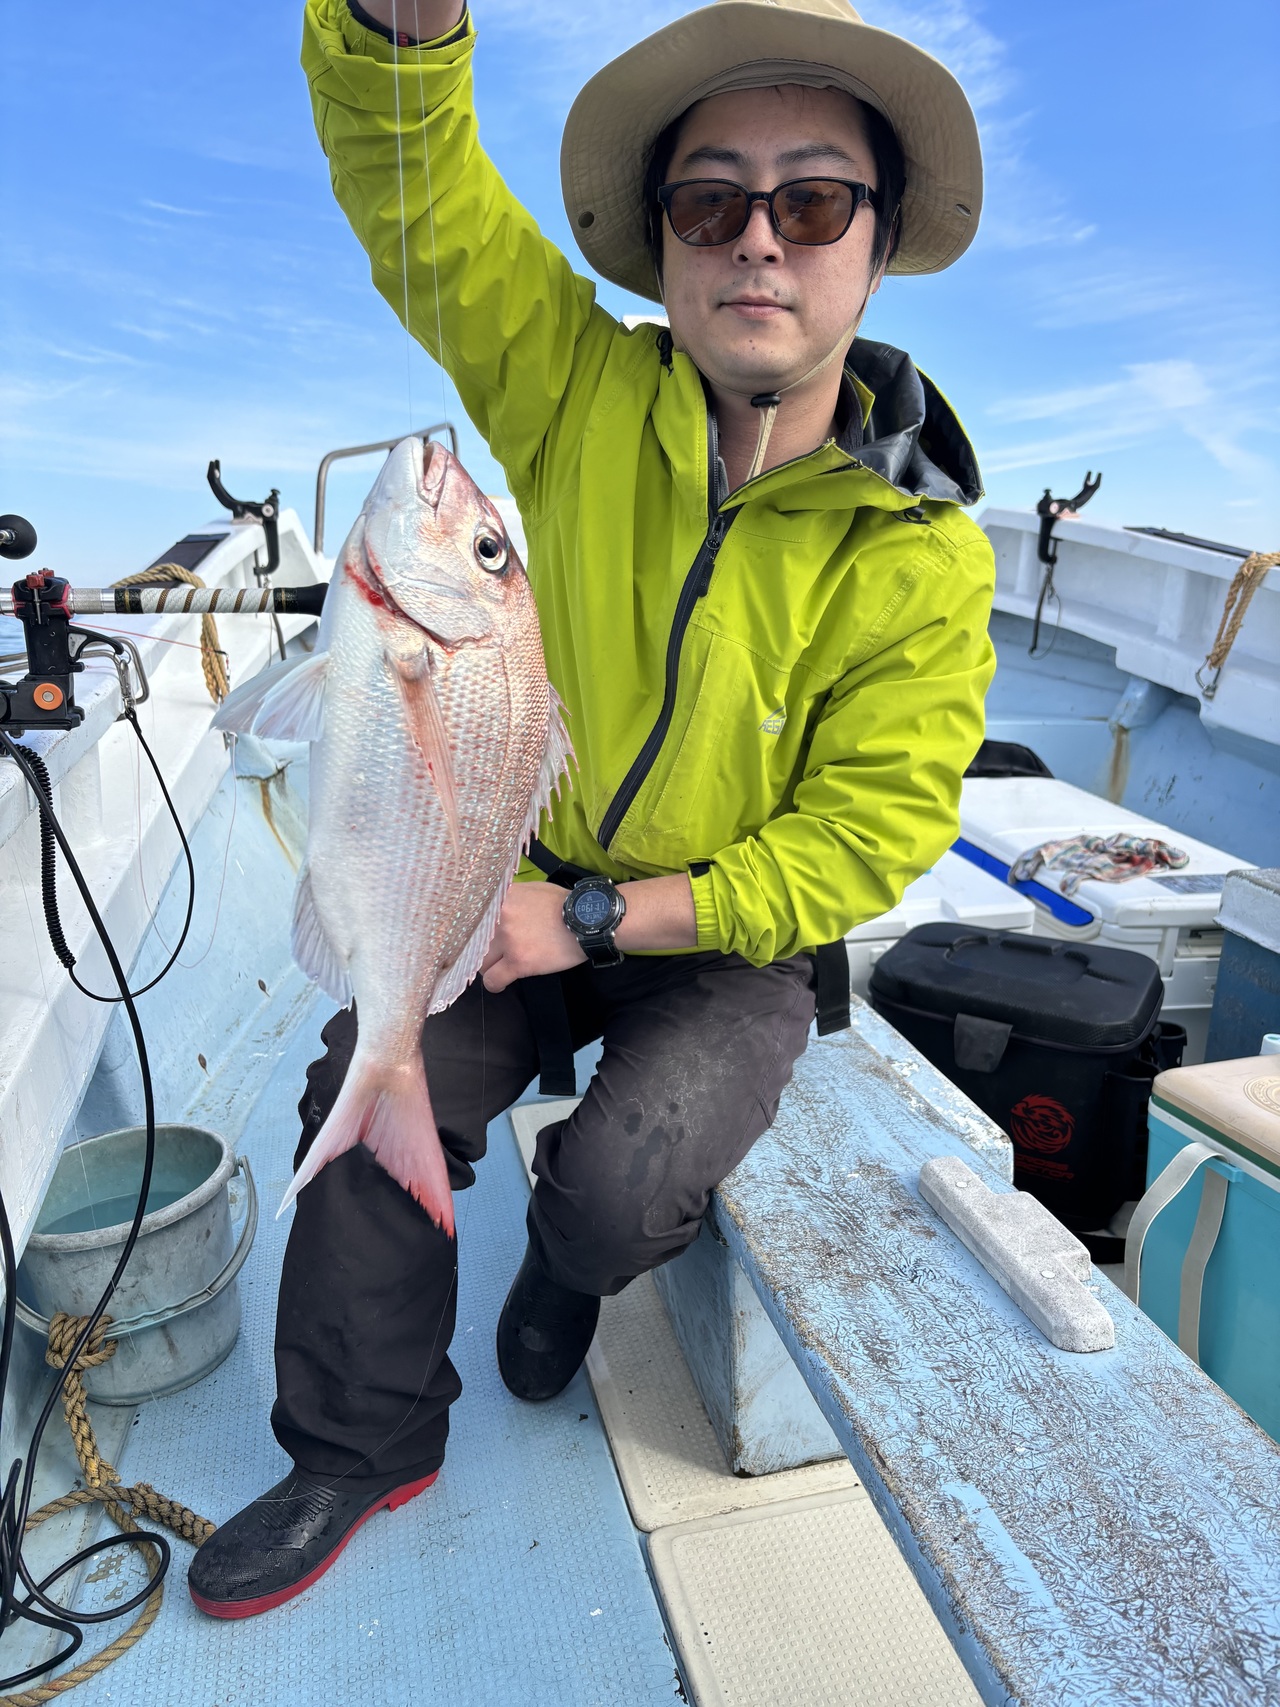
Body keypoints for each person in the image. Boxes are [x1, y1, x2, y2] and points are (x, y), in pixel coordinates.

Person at [188, 0, 995, 1619]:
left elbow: (868, 833)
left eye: (812, 201)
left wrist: (604, 919)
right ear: (667, 243)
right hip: (505, 865)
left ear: (877, 246)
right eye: (710, 200)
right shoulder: (573, 387)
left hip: (718, 935)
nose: (757, 238)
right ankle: (357, 1445)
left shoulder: (924, 558)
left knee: (625, 1184)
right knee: (365, 1081)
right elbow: (418, 202)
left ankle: (562, 1279)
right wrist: (401, 39)